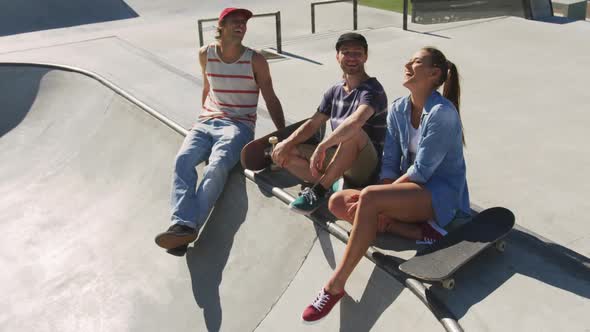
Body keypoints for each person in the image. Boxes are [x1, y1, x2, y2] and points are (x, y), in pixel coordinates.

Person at [301, 47, 470, 323]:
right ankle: (417, 232)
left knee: (368, 198)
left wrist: (378, 197)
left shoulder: (442, 113)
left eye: (415, 62)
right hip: (409, 194)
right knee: (337, 202)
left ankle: (334, 286)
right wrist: (383, 195)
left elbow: (422, 171)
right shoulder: (400, 108)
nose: (406, 64)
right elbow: (390, 161)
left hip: (439, 196)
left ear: (433, 73)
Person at [155, 7, 285, 256]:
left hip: (239, 125)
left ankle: (185, 227)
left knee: (216, 166)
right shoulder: (206, 54)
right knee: (182, 160)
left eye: (244, 23)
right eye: (235, 21)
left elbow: (270, 97)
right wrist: (202, 118)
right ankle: (181, 226)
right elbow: (207, 87)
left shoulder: (255, 59)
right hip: (206, 121)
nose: (241, 26)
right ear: (221, 26)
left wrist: (285, 137)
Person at [271, 33, 387, 215]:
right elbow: (313, 123)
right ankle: (335, 182)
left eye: (357, 53)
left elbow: (356, 121)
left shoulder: (372, 89)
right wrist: (286, 143)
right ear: (337, 56)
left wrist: (322, 146)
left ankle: (318, 192)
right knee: (287, 153)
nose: (351, 58)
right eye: (346, 52)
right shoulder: (334, 91)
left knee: (353, 132)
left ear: (365, 56)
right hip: (340, 159)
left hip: (366, 167)